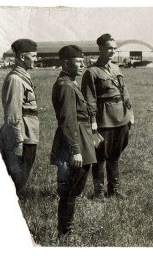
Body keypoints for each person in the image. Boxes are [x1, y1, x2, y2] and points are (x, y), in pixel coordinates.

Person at [82, 33, 134, 199]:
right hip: (104, 120)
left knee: (115, 154)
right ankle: (98, 193)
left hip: (122, 117)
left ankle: (114, 189)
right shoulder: (92, 72)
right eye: (109, 48)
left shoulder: (116, 68)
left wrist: (130, 113)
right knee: (100, 156)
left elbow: (124, 92)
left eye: (114, 48)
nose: (112, 51)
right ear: (101, 49)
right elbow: (89, 100)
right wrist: (93, 122)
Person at [51, 45, 95, 237]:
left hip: (81, 138)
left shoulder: (70, 83)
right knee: (69, 190)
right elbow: (68, 121)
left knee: (74, 188)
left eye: (82, 61)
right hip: (73, 142)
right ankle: (65, 233)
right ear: (66, 63)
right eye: (78, 61)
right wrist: (75, 150)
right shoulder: (66, 86)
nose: (82, 64)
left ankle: (66, 230)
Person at [0, 38, 39, 196]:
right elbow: (13, 116)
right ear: (22, 57)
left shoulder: (23, 76)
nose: (36, 59)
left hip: (29, 133)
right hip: (22, 135)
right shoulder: (15, 79)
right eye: (33, 56)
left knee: (22, 175)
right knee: (17, 176)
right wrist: (18, 142)